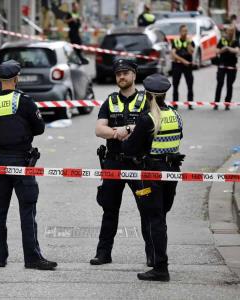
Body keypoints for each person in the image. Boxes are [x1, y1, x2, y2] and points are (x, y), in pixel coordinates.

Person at [0, 60, 57, 271]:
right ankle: (32, 258)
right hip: (21, 161)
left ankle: (0, 257)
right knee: (27, 210)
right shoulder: (24, 101)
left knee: (0, 210)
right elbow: (39, 128)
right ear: (17, 79)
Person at [121, 73, 184, 281]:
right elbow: (178, 137)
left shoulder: (147, 119)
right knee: (161, 218)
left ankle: (160, 268)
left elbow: (129, 149)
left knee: (153, 219)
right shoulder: (175, 114)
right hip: (172, 171)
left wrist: (129, 135)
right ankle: (160, 262)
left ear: (147, 95)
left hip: (152, 174)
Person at [91, 59, 149, 266]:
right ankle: (103, 253)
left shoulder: (146, 100)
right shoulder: (110, 101)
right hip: (113, 164)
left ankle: (152, 254)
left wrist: (132, 129)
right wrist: (118, 132)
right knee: (109, 210)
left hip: (139, 165)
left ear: (134, 75)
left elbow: (151, 127)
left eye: (125, 73)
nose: (121, 77)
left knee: (147, 210)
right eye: (118, 74)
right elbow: (99, 130)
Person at [214, 26, 239, 110]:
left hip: (232, 66)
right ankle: (216, 103)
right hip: (222, 65)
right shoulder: (222, 40)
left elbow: (237, 50)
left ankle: (227, 103)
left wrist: (228, 48)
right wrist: (223, 50)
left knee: (229, 85)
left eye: (232, 31)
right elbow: (217, 51)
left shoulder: (235, 41)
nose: (231, 33)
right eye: (229, 31)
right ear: (226, 32)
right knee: (220, 83)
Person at [171, 24, 195, 110]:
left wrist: (188, 43)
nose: (185, 33)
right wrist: (183, 61)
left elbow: (191, 52)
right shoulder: (176, 41)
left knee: (190, 84)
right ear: (180, 32)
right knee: (175, 85)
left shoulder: (190, 41)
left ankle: (190, 103)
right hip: (177, 65)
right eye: (183, 31)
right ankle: (175, 104)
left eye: (186, 31)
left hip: (188, 66)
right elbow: (173, 54)